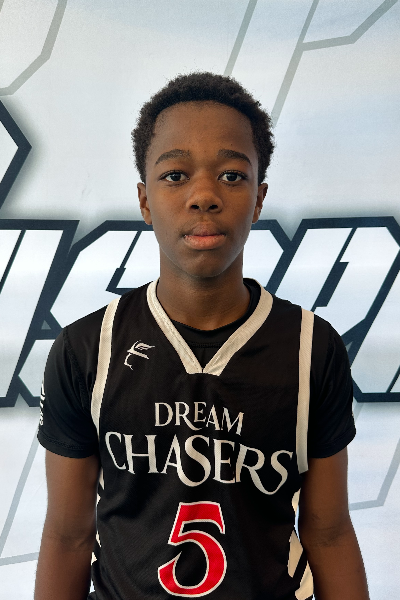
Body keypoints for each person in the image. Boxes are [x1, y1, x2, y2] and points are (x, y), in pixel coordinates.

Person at [34, 72, 369, 600]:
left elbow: (328, 532)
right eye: (175, 175)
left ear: (258, 199)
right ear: (145, 201)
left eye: (232, 175)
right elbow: (68, 536)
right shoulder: (86, 349)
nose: (204, 196)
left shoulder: (311, 347)